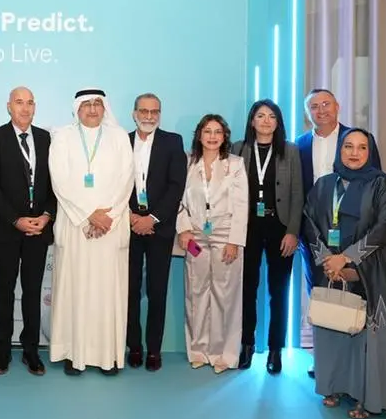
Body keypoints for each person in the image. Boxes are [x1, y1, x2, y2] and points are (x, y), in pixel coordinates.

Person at [303, 127, 386, 419]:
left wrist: (347, 258)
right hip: (330, 270)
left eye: (361, 147)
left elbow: (385, 227)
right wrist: (327, 259)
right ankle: (334, 386)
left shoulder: (383, 185)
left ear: (370, 152)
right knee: (334, 327)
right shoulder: (324, 184)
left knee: (366, 335)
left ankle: (366, 397)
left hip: (371, 271)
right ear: (340, 150)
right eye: (348, 146)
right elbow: (308, 221)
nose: (354, 153)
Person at [296, 88, 382, 377]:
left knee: (355, 292)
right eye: (314, 107)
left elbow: (375, 185)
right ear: (308, 113)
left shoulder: (357, 139)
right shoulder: (300, 144)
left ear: (338, 106)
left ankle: (356, 361)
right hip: (314, 234)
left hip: (353, 234)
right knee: (319, 292)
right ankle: (324, 359)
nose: (321, 110)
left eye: (326, 104)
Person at [47, 89, 134, 375]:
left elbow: (126, 180)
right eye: (87, 104)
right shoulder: (63, 137)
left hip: (110, 227)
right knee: (75, 290)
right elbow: (60, 181)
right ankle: (74, 355)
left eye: (98, 103)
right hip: (76, 227)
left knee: (107, 292)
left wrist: (107, 217)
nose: (93, 109)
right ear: (77, 108)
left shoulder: (119, 137)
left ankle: (108, 356)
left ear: (105, 107)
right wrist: (88, 216)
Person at [0, 87, 56, 376]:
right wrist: (15, 220)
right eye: (19, 102)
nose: (25, 108)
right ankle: (2, 352)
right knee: (4, 292)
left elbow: (56, 183)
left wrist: (46, 216)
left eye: (30, 103)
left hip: (39, 230)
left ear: (35, 107)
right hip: (6, 230)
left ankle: (31, 351)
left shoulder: (46, 139)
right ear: (8, 107)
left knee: (33, 293)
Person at [232, 100, 303, 374]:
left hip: (279, 227)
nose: (265, 120)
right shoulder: (239, 149)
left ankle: (275, 349)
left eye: (271, 116)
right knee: (247, 289)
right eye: (260, 115)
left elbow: (297, 194)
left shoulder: (290, 150)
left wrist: (293, 231)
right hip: (247, 227)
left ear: (278, 122)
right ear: (252, 121)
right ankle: (247, 345)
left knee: (279, 291)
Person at [176, 114, 248, 374]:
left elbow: (241, 205)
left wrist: (234, 241)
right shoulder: (187, 162)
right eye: (208, 131)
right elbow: (178, 200)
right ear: (199, 135)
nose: (212, 136)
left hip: (225, 236)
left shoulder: (235, 164)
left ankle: (223, 354)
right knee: (195, 293)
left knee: (224, 296)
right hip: (195, 236)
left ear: (224, 136)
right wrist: (183, 229)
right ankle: (198, 350)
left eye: (218, 132)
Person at [126, 93, 187, 372]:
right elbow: (114, 184)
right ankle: (134, 347)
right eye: (144, 111)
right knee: (129, 292)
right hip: (128, 227)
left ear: (159, 114)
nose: (149, 116)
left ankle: (153, 350)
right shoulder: (121, 141)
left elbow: (176, 186)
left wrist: (151, 218)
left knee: (157, 291)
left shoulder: (173, 142)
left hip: (159, 228)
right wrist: (131, 217)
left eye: (154, 112)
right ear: (134, 114)